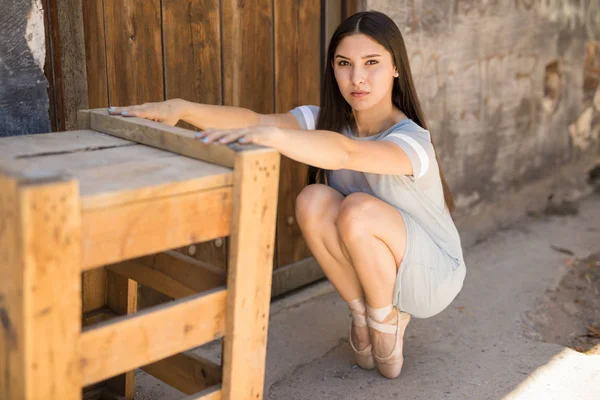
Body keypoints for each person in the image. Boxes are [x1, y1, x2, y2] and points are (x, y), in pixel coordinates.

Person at [109, 11, 467, 380]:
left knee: (358, 209)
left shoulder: (412, 140)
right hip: (378, 262)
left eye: (372, 63)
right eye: (344, 64)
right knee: (312, 199)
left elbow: (346, 153)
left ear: (396, 68)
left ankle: (385, 318)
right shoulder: (325, 120)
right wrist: (180, 109)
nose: (357, 78)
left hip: (433, 274)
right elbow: (254, 119)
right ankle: (362, 313)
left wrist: (280, 139)